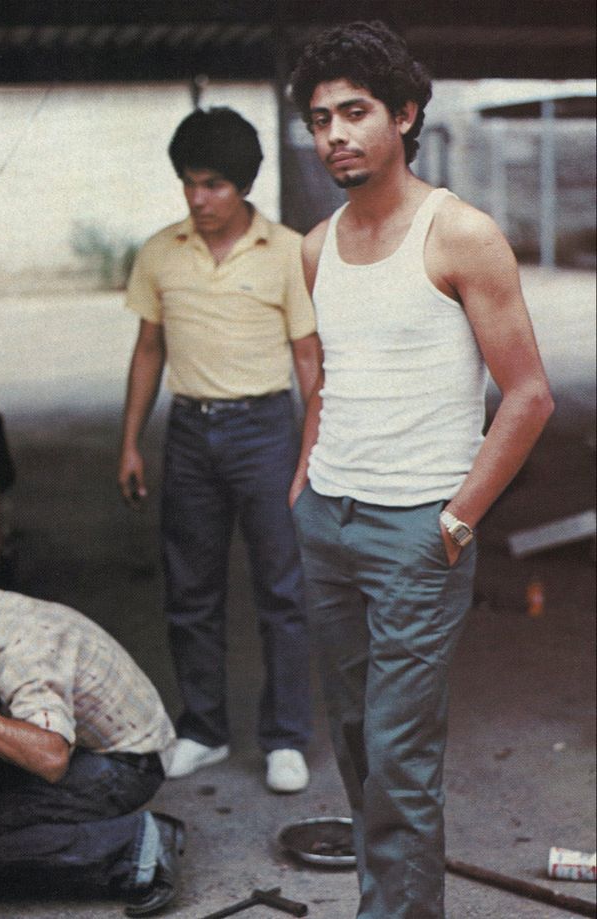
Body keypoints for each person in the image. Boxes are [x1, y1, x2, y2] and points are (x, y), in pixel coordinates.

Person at [288, 21, 554, 919]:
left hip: (418, 530)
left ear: (404, 114)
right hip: (328, 517)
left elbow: (528, 396)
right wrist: (304, 484)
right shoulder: (316, 245)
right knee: (360, 742)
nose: (335, 134)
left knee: (399, 753)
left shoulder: (460, 233)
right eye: (321, 118)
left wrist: (457, 516)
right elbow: (326, 377)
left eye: (355, 111)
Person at [118, 107, 321, 793]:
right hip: (188, 433)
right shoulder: (160, 251)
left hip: (265, 431)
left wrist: (309, 455)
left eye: (213, 185)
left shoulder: (289, 251)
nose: (198, 199)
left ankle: (286, 738)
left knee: (282, 589)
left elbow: (309, 363)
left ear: (243, 186)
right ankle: (204, 728)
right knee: (190, 590)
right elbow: (147, 350)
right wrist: (130, 445)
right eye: (188, 183)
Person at [0, 586, 184, 917]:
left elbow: (51, 760)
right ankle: (30, 818)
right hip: (84, 741)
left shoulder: (25, 661)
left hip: (132, 762)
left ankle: (140, 847)